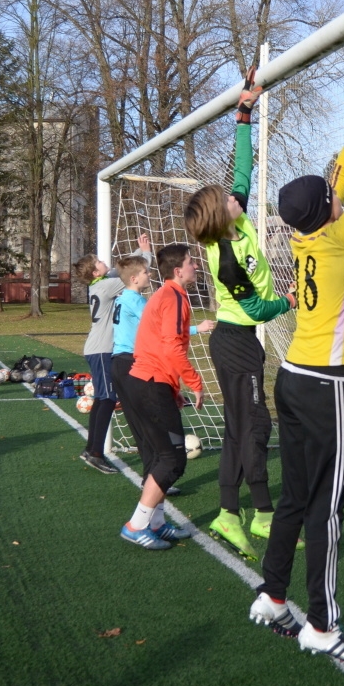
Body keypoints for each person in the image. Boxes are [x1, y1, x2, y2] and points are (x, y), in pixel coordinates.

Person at [247, 74, 344, 665]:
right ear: (327, 210)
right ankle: (321, 623)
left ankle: (272, 593)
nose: (337, 194)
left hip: (290, 376)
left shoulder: (303, 236)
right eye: (332, 195)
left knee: (294, 495)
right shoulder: (342, 235)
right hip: (326, 384)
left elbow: (333, 184)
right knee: (328, 508)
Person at [184, 67, 297, 559]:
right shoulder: (224, 256)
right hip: (235, 341)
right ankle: (264, 513)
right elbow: (254, 305)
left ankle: (229, 514)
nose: (232, 194)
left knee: (240, 427)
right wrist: (287, 302)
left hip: (241, 341)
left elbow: (245, 168)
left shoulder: (238, 219)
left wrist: (245, 112)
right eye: (223, 198)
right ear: (217, 215)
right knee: (256, 425)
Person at [118, 243, 208, 550]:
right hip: (148, 383)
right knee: (172, 460)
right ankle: (136, 525)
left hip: (148, 382)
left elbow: (157, 345)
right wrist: (195, 382)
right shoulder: (172, 296)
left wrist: (173, 388)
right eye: (191, 261)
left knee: (160, 456)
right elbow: (171, 347)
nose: (196, 266)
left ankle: (155, 523)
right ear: (178, 270)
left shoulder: (167, 295)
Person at [73, 235, 153, 474]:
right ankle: (95, 452)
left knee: (103, 399)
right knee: (107, 399)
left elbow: (123, 269)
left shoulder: (100, 283)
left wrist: (139, 248)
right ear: (96, 272)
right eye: (98, 261)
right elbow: (132, 275)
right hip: (101, 350)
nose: (102, 261)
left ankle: (91, 449)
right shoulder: (107, 285)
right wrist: (146, 253)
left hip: (99, 348)